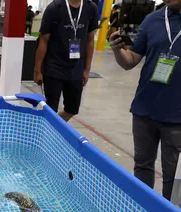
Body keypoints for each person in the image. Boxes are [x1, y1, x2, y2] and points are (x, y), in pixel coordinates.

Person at [109, 1, 181, 201]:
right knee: (142, 166)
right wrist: (117, 50)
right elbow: (130, 60)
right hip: (144, 110)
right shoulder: (153, 19)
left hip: (177, 117)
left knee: (173, 176)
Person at [34, 0, 98, 122]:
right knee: (51, 109)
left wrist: (87, 69)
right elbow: (43, 41)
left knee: (72, 109)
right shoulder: (54, 8)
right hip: (53, 68)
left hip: (76, 69)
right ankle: (48, 133)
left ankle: (48, 127)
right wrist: (37, 70)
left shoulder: (90, 8)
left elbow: (90, 41)